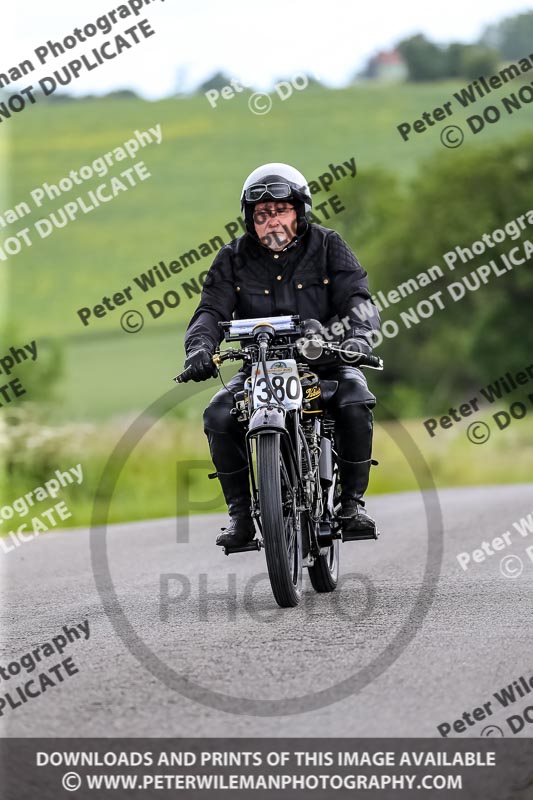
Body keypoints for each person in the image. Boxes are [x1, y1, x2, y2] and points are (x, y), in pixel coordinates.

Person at [183, 163, 380, 548]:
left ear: (299, 212)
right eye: (261, 215)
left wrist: (359, 338)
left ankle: (351, 505)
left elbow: (359, 299)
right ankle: (241, 518)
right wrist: (199, 349)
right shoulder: (231, 258)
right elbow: (209, 312)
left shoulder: (328, 245)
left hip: (326, 359)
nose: (271, 222)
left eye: (280, 211)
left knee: (356, 401)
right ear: (250, 220)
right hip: (260, 367)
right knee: (218, 415)